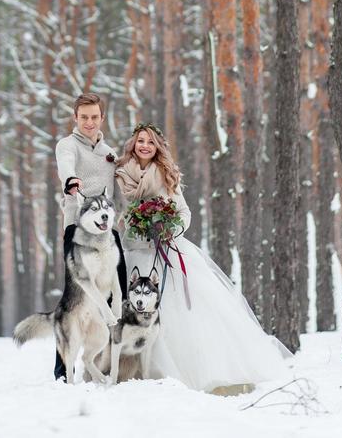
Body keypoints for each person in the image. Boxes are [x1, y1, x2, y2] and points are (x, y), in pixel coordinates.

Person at [115, 123, 290, 394]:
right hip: (136, 254)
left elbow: (184, 212)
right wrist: (137, 222)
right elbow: (120, 213)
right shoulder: (121, 175)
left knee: (182, 314)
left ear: (158, 146)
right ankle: (132, 370)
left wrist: (170, 227)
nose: (145, 146)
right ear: (133, 144)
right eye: (140, 141)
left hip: (169, 251)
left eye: (151, 142)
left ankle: (186, 373)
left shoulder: (166, 174)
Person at [52, 92, 126, 380]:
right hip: (77, 228)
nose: (89, 122)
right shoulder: (67, 145)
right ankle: (63, 370)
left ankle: (103, 364)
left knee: (118, 288)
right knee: (75, 299)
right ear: (75, 118)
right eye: (84, 117)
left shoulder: (109, 152)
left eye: (94, 117)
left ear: (102, 118)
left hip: (107, 231)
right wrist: (71, 181)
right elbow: (66, 165)